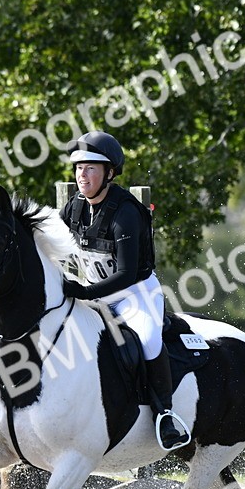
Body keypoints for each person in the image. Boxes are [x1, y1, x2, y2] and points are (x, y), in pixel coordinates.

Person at [60, 131, 190, 451]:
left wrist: (84, 292)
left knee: (147, 340)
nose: (83, 175)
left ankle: (165, 415)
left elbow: (126, 274)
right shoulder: (74, 208)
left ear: (109, 173)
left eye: (91, 168)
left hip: (134, 295)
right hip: (92, 293)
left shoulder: (126, 213)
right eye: (79, 168)